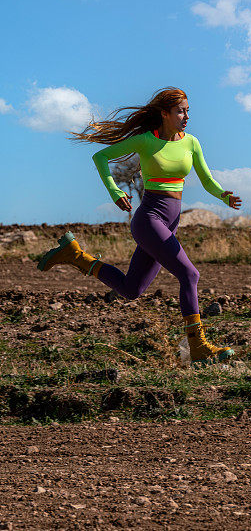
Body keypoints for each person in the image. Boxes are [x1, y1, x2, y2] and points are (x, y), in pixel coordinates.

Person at [37, 87, 240, 365]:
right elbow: (101, 157)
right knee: (190, 275)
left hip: (170, 223)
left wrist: (223, 195)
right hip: (149, 220)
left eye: (188, 110)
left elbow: (206, 179)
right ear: (164, 113)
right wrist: (114, 191)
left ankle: (75, 256)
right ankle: (198, 347)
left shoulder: (191, 142)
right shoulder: (145, 141)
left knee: (131, 290)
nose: (186, 116)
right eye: (181, 110)